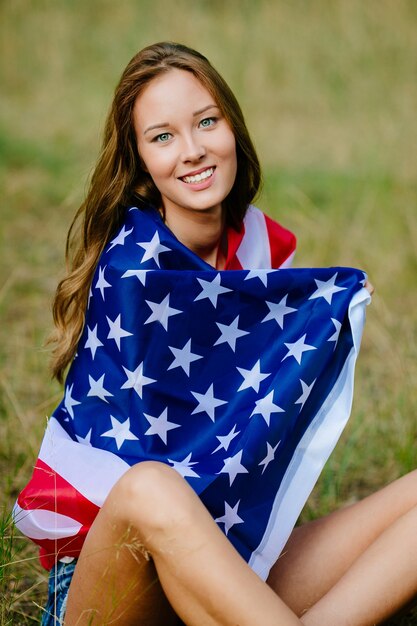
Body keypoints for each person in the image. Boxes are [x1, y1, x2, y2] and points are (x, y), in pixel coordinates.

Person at [14, 42, 416, 626]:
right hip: (112, 580)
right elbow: (170, 457)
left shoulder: (261, 250)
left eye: (207, 121)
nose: (193, 150)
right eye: (163, 136)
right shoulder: (134, 272)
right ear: (140, 161)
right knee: (150, 486)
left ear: (234, 126)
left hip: (224, 557)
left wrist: (330, 307)